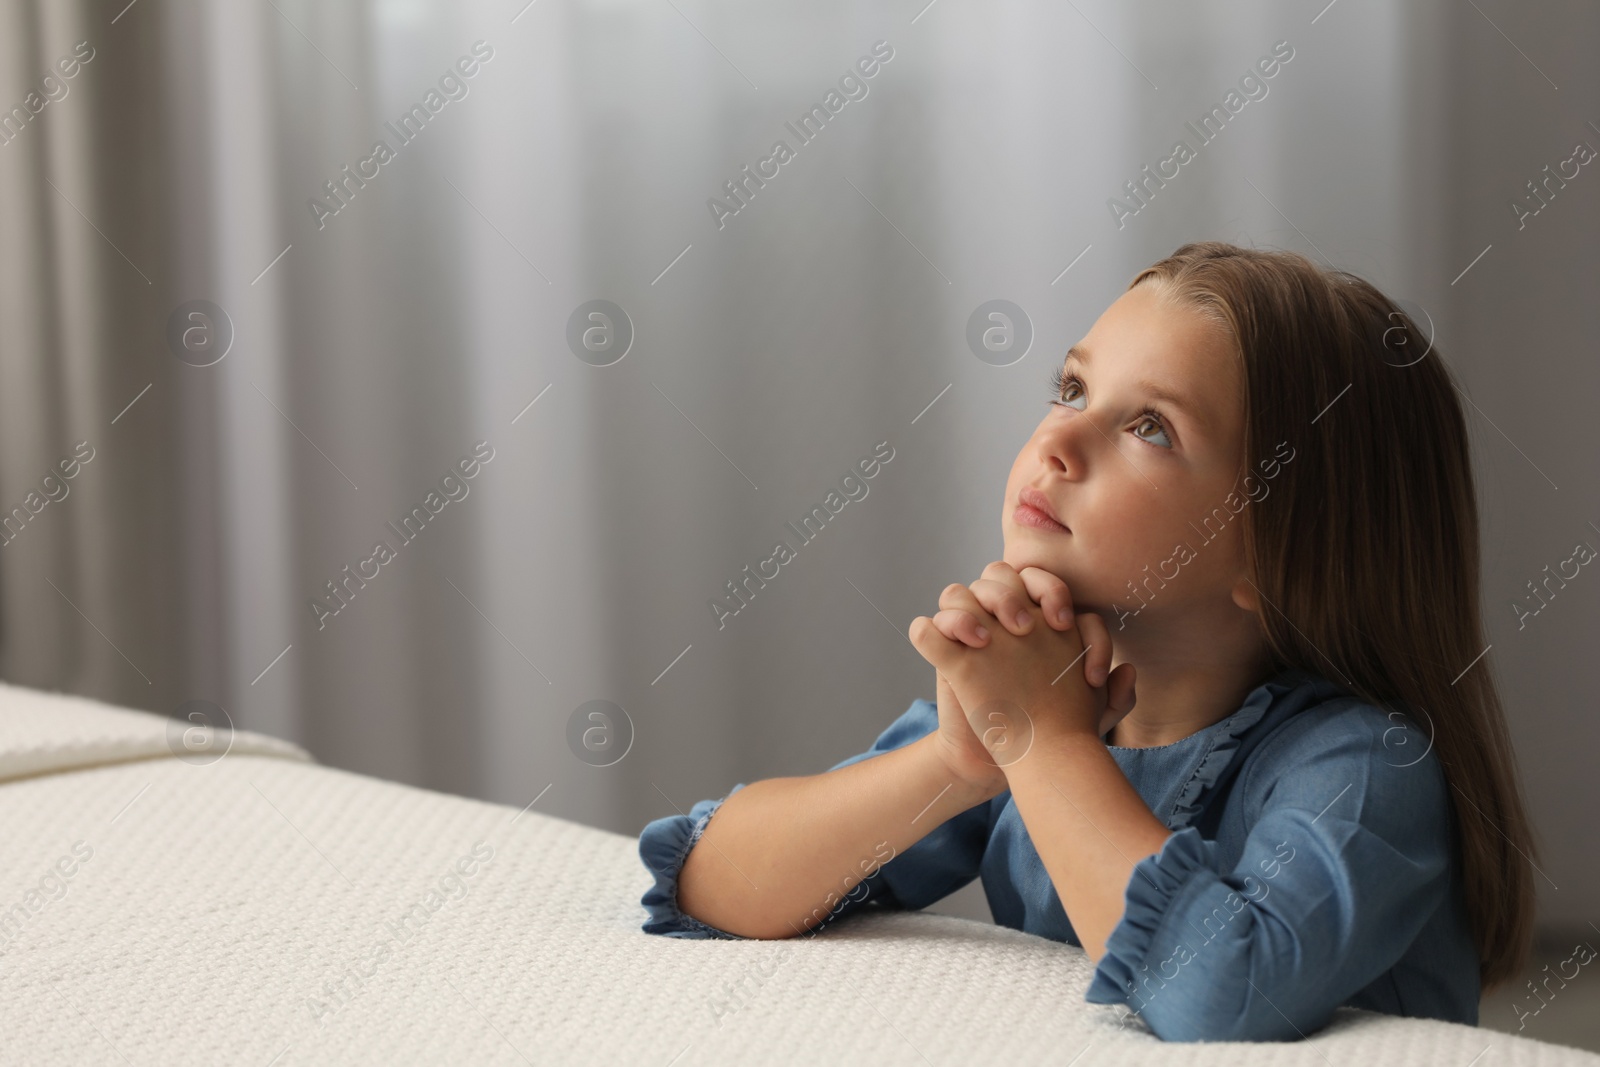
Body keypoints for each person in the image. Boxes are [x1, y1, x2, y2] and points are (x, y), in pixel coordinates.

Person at [636, 241, 1536, 1042]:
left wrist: (1050, 745)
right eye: (1071, 388)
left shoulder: (1366, 767)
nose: (1058, 436)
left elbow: (1224, 995)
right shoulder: (1043, 697)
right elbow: (713, 883)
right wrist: (958, 760)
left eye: (1150, 427)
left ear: (1283, 554)